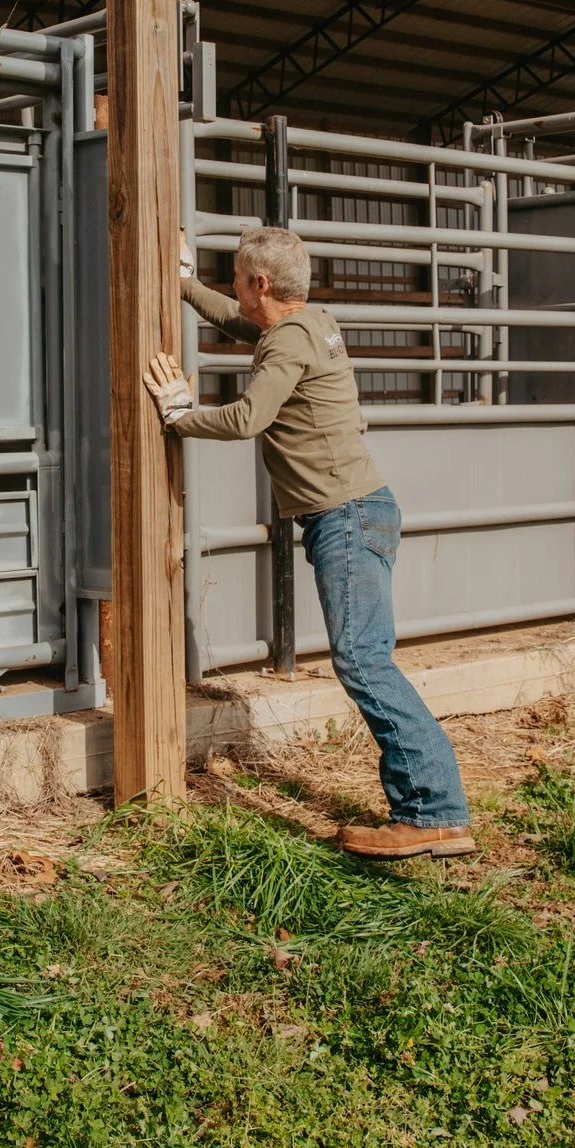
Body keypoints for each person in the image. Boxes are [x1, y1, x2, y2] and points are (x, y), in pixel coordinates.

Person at [145, 225, 475, 858]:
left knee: (363, 660)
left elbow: (248, 417)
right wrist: (181, 285)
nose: (233, 288)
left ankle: (432, 811)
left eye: (237, 278)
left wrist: (180, 414)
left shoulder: (289, 340)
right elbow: (240, 325)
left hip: (345, 516)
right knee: (368, 656)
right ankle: (433, 807)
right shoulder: (306, 324)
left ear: (260, 284)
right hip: (359, 509)